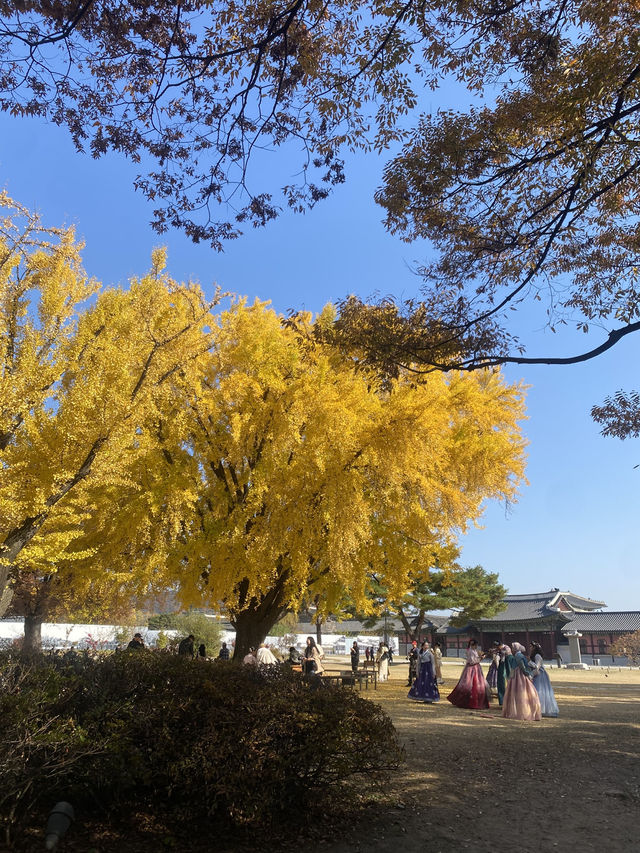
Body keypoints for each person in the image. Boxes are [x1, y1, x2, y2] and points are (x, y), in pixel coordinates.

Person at [502, 642, 542, 721]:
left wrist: (527, 674)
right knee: (524, 692)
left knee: (519, 692)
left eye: (513, 648)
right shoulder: (519, 655)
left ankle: (521, 711)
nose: (512, 649)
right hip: (518, 675)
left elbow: (522, 667)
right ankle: (523, 711)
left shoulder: (518, 656)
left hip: (518, 675)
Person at [446, 639, 490, 709]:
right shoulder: (471, 651)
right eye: (475, 645)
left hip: (474, 668)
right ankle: (471, 702)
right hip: (473, 668)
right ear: (474, 645)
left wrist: (479, 657)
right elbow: (473, 661)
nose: (476, 646)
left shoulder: (472, 650)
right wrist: (481, 658)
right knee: (472, 684)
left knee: (472, 684)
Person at [529, 643, 559, 717]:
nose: (530, 648)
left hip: (540, 675)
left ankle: (540, 709)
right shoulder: (534, 656)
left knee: (539, 691)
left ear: (534, 648)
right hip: (537, 674)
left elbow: (537, 667)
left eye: (531, 646)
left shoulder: (537, 656)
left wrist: (530, 665)